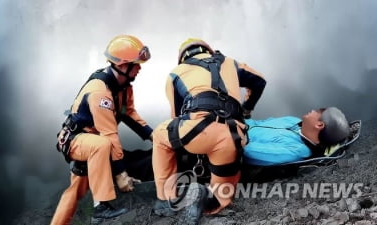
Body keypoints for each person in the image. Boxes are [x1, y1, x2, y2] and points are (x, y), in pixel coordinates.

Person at [151, 38, 266, 225]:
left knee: (160, 135)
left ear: (182, 57)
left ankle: (165, 199)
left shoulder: (175, 73)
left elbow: (176, 118)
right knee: (221, 199)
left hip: (197, 132)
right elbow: (260, 82)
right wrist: (246, 108)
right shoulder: (230, 62)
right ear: (208, 51)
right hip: (233, 137)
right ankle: (208, 198)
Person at [51, 35, 153, 225]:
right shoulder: (100, 91)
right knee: (102, 144)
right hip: (77, 140)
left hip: (92, 143)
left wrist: (153, 136)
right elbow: (109, 134)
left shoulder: (123, 88)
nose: (139, 68)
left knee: (75, 193)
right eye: (136, 64)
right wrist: (121, 173)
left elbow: (129, 114)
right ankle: (101, 206)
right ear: (123, 65)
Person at [244, 107, 351, 166]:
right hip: (235, 124)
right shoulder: (293, 120)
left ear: (319, 125)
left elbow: (245, 150)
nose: (313, 110)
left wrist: (234, 130)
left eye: (318, 112)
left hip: (231, 138)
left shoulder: (296, 150)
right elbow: (259, 122)